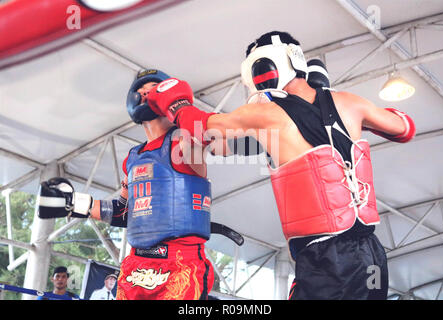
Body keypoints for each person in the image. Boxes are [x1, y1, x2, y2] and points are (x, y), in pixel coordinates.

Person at [146, 31, 416, 300]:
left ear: (259, 69)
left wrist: (177, 104)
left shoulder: (264, 115)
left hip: (325, 258)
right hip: (372, 253)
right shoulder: (351, 102)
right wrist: (341, 111)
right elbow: (405, 128)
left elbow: (200, 127)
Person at [37, 69, 216, 300]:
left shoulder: (182, 142)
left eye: (153, 90)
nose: (145, 95)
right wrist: (76, 204)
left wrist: (181, 107)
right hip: (136, 266)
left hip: (179, 262)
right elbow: (123, 211)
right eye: (141, 92)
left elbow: (204, 134)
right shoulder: (132, 158)